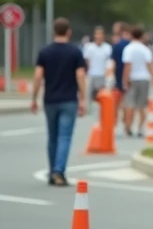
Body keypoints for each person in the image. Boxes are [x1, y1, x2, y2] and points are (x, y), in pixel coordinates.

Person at [31, 18, 86, 186]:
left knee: (52, 137)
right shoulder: (75, 52)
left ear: (54, 31)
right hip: (69, 99)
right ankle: (58, 171)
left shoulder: (45, 52)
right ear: (68, 32)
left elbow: (38, 76)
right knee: (65, 136)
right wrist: (83, 98)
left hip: (50, 99)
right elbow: (80, 75)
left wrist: (33, 98)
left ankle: (52, 170)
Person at [120, 26, 153, 138]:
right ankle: (140, 128)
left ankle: (128, 127)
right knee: (142, 105)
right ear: (142, 36)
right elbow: (149, 64)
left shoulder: (128, 49)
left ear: (131, 35)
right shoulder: (145, 49)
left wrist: (125, 80)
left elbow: (127, 66)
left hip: (133, 78)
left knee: (130, 104)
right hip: (144, 78)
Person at [81, 26, 111, 114]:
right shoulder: (89, 47)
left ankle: (103, 112)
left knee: (102, 96)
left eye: (101, 34)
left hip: (102, 74)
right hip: (91, 74)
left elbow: (109, 62)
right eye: (97, 34)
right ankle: (86, 110)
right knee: (88, 95)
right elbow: (86, 61)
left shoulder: (107, 48)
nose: (99, 36)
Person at [109, 21, 131, 115]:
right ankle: (126, 122)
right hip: (129, 76)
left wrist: (110, 76)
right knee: (127, 102)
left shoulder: (117, 46)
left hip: (118, 76)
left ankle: (114, 121)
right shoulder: (130, 45)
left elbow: (113, 63)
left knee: (116, 101)